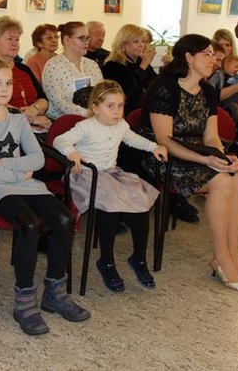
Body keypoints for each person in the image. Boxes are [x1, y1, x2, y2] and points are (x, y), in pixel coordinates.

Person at [0, 59, 90, 335]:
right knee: (29, 225)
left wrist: (10, 166)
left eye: (8, 83)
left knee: (65, 220)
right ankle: (24, 300)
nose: (4, 88)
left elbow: (37, 159)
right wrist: (20, 172)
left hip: (23, 182)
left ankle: (55, 292)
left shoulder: (18, 117)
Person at [136, 34, 238, 294]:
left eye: (214, 55)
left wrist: (223, 157)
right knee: (222, 181)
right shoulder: (164, 88)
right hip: (162, 156)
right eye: (208, 54)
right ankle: (222, 257)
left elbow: (211, 137)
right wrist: (207, 159)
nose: (214, 60)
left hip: (197, 152)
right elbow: (165, 140)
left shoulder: (209, 91)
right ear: (189, 58)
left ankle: (232, 255)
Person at [53, 80, 166, 292]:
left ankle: (139, 258)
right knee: (110, 205)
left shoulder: (121, 125)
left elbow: (132, 139)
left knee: (141, 202)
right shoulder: (86, 126)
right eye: (110, 106)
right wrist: (72, 152)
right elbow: (60, 140)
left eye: (120, 106)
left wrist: (154, 147)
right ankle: (106, 260)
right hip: (87, 175)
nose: (117, 111)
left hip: (110, 174)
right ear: (95, 108)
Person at [0, 16, 52, 132]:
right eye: (9, 39)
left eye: (17, 39)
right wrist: (27, 118)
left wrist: (34, 109)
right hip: (2, 129)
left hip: (37, 124)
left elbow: (43, 99)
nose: (15, 44)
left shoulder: (24, 68)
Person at [43, 21, 104, 120]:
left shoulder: (92, 64)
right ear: (67, 40)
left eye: (87, 38)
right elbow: (58, 102)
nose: (86, 42)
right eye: (81, 38)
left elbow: (102, 94)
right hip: (65, 121)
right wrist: (88, 114)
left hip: (94, 119)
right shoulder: (53, 66)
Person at [102, 24, 157, 114]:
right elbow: (126, 92)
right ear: (123, 44)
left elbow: (154, 83)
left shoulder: (140, 61)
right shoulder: (113, 65)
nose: (142, 45)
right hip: (124, 112)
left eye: (143, 41)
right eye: (136, 42)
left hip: (145, 108)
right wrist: (142, 67)